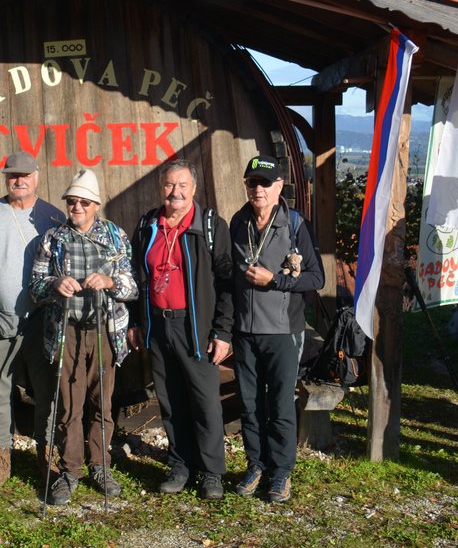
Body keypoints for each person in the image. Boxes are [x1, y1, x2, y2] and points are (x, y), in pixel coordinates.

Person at [30, 169, 139, 505]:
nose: (75, 207)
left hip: (104, 329)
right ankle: (70, 470)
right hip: (67, 330)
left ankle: (100, 465)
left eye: (83, 202)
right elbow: (35, 288)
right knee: (69, 404)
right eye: (72, 202)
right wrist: (53, 285)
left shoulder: (115, 237)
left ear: (96, 205)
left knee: (101, 400)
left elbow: (132, 287)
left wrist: (109, 283)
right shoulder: (53, 239)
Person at [130, 158, 233, 500]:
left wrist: (222, 331)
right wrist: (135, 321)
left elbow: (228, 282)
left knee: (205, 402)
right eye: (169, 185)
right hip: (159, 325)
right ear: (162, 188)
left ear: (194, 189)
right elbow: (135, 277)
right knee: (171, 399)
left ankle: (212, 472)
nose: (175, 192)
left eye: (182, 185)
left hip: (195, 326)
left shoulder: (209, 225)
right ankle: (180, 465)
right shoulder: (148, 224)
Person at [229, 155, 324, 503]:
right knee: (250, 405)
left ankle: (281, 471)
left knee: (281, 404)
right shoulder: (237, 223)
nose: (258, 189)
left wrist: (276, 281)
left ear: (279, 186)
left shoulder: (296, 224)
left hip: (284, 332)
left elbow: (317, 278)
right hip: (245, 331)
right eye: (252, 182)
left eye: (265, 183)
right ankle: (256, 464)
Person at [0, 151, 64, 488]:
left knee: (47, 388)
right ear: (5, 178)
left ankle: (46, 452)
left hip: (41, 319)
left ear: (37, 176)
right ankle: (1, 456)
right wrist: (0, 293)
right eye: (12, 175)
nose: (18, 180)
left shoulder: (53, 217)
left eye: (24, 175)